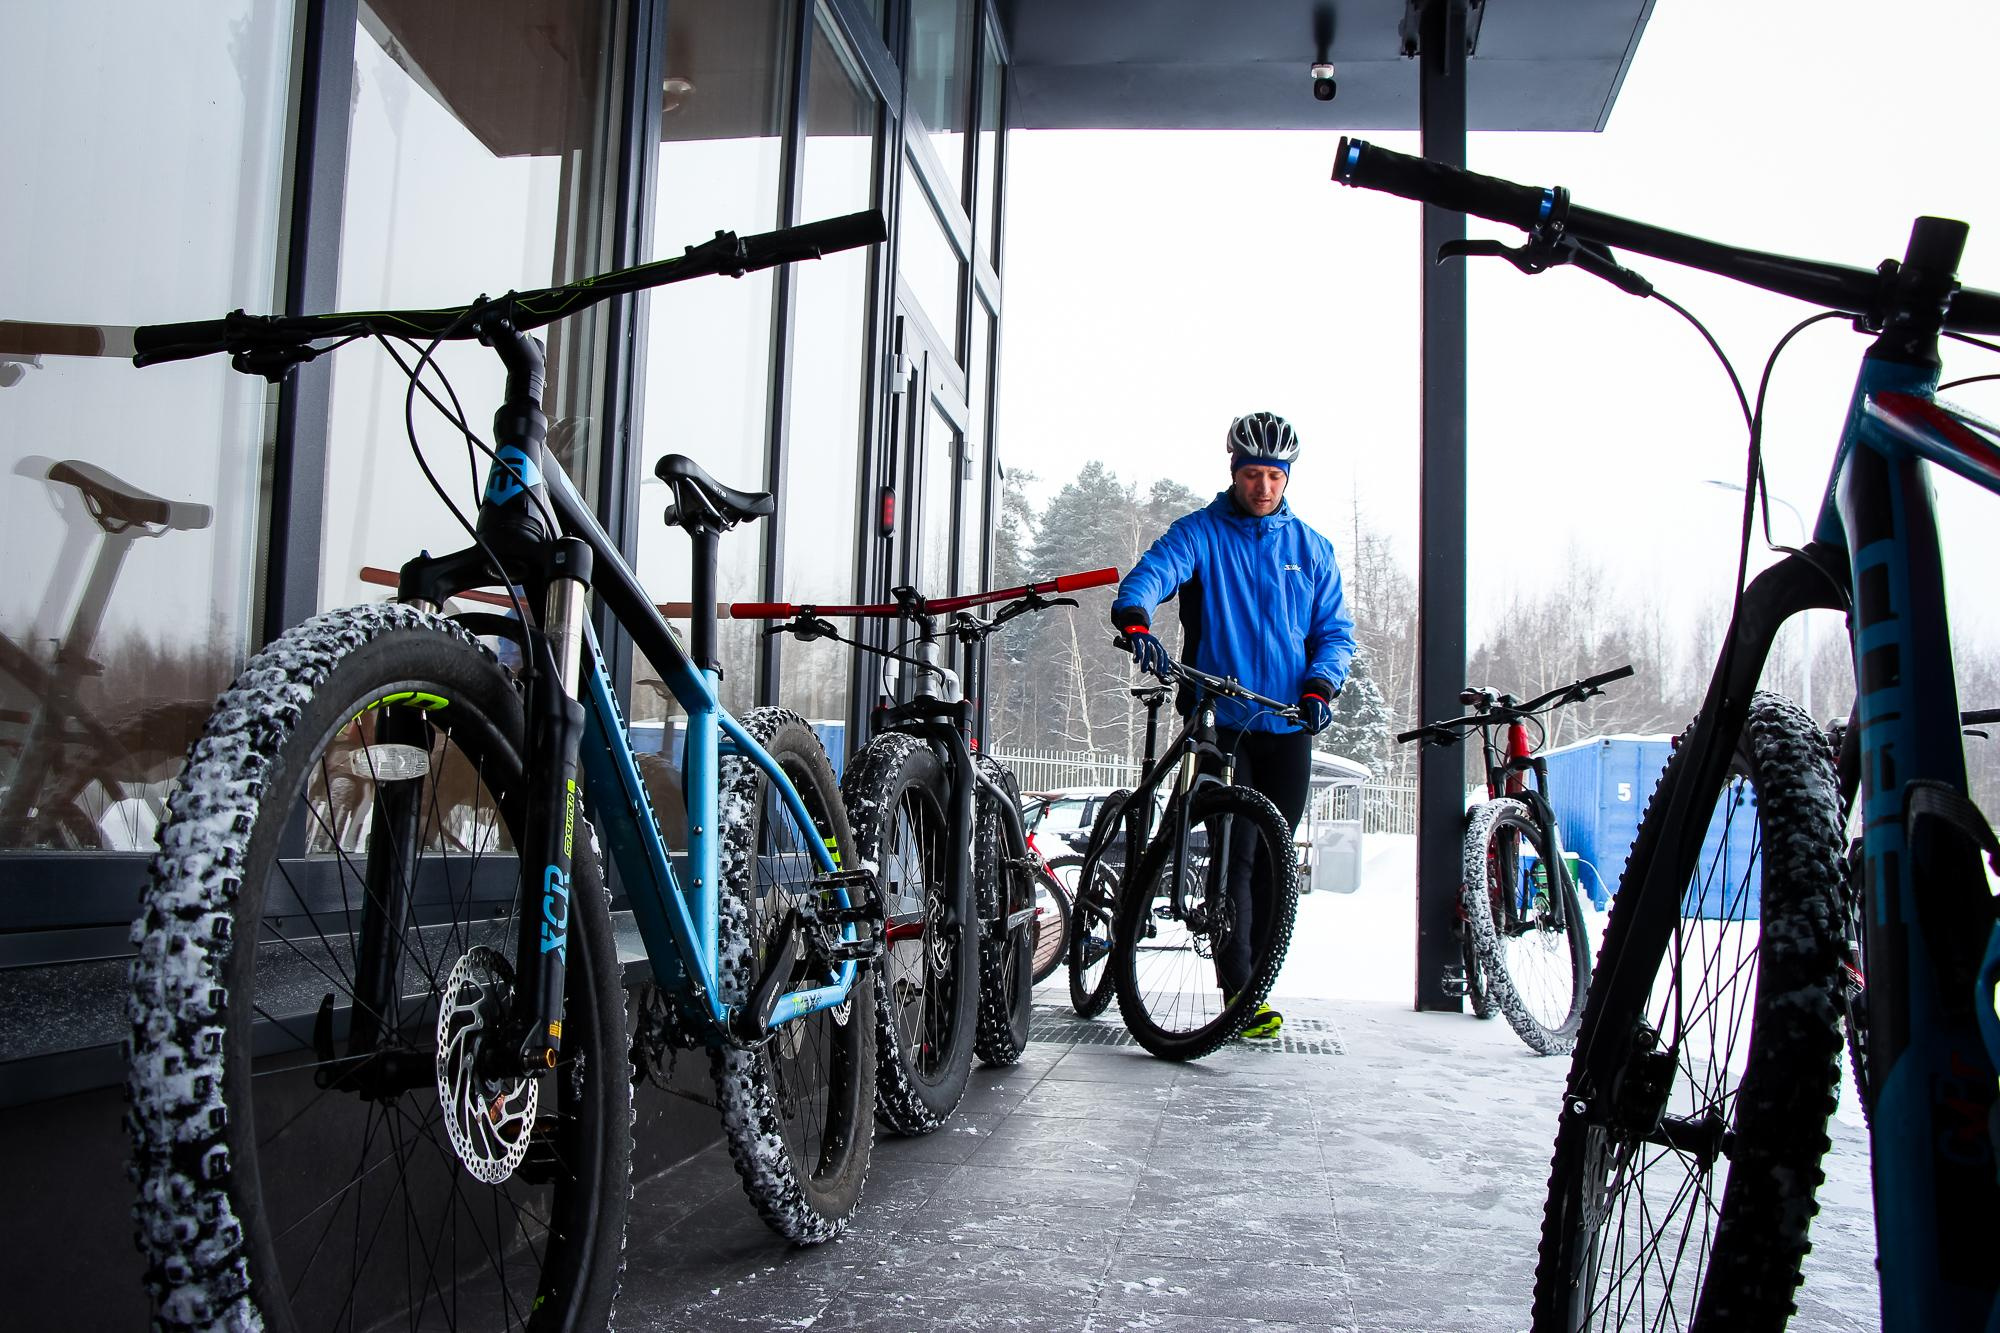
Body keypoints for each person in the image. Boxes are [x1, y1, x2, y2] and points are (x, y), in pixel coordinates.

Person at [1111, 411, 1356, 1038]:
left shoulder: (1312, 550)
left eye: (1275, 475)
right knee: (1237, 853)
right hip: (1218, 719)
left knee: (1275, 858)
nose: (1264, 486)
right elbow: (1154, 572)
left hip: (1286, 722)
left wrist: (1320, 684)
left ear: (1287, 478)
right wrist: (1136, 615)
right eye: (1253, 474)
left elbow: (1334, 634)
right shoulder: (1200, 532)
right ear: (1234, 473)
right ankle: (1239, 995)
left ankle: (1256, 984)